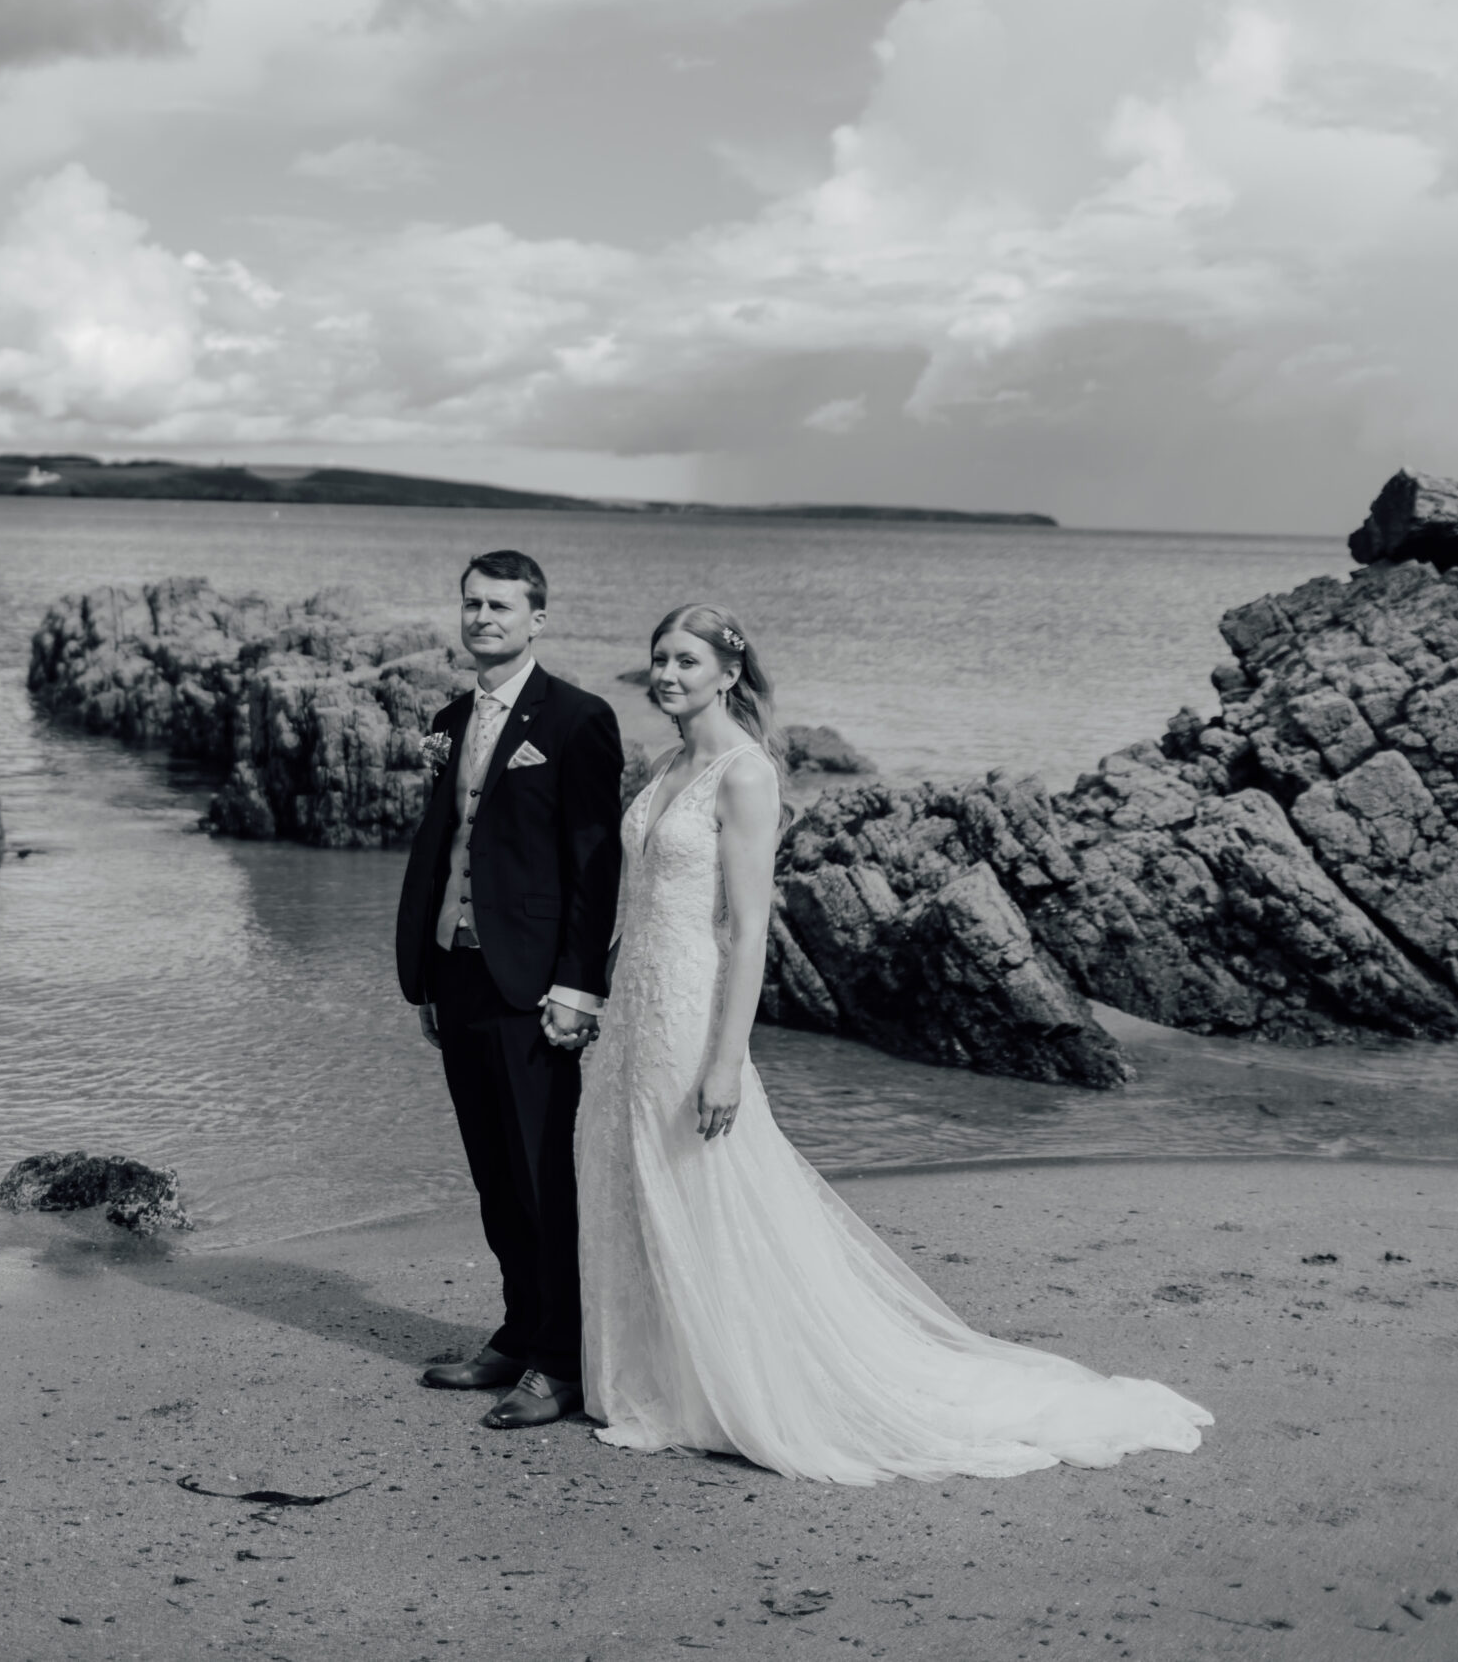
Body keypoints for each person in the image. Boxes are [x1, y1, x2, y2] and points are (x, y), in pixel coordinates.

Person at [575, 603, 1214, 1481]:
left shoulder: (745, 773)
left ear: (729, 672)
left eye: (687, 660)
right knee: (636, 1180)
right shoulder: (661, 763)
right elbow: (641, 898)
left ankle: (732, 1385)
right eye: (658, 659)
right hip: (635, 1010)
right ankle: (659, 1379)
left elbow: (750, 928)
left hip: (691, 1010)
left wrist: (728, 1057)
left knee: (704, 1186)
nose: (668, 674)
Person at [395, 550, 624, 1429]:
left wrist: (579, 984)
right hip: (458, 970)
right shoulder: (452, 715)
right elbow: (443, 845)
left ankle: (560, 1363)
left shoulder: (577, 719)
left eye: (500, 605)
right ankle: (517, 1334)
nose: (481, 617)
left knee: (539, 1176)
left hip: (535, 985)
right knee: (492, 1173)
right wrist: (424, 967)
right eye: (471, 604)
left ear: (538, 618)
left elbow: (592, 865)